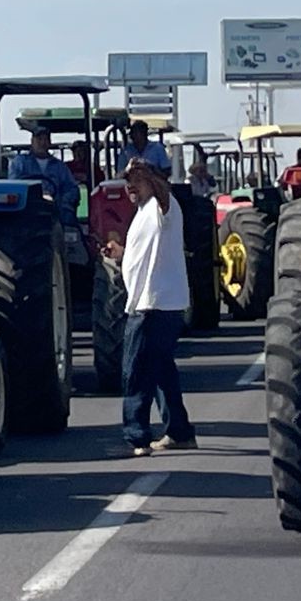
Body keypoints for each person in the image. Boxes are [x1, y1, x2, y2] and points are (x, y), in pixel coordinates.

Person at [105, 157, 196, 456]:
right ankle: (179, 431)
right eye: (128, 181)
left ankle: (137, 436)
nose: (130, 186)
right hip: (156, 302)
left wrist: (151, 176)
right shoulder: (143, 213)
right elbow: (144, 254)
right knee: (160, 369)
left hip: (153, 304)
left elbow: (164, 195)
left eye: (137, 180)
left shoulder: (162, 206)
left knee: (135, 368)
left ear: (153, 180)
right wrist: (121, 254)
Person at [9, 128, 81, 220]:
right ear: (32, 141)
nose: (43, 143)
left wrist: (62, 202)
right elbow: (14, 185)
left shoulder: (60, 166)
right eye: (39, 139)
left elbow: (72, 189)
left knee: (68, 218)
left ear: (50, 142)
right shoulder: (20, 162)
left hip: (55, 210)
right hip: (28, 209)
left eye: (46, 139)